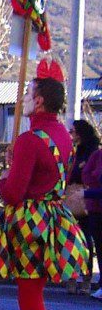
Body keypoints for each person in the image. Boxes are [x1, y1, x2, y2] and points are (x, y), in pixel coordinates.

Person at [0, 61, 89, 310]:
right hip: (52, 219)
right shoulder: (62, 134)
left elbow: (14, 191)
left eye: (30, 92)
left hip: (29, 222)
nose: (25, 97)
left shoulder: (31, 140)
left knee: (30, 300)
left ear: (42, 99)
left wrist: (4, 179)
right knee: (30, 297)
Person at [68, 119, 99, 294]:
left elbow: (86, 174)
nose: (71, 135)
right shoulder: (75, 152)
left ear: (80, 133)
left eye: (73, 132)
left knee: (86, 239)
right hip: (73, 198)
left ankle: (86, 277)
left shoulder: (92, 153)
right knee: (71, 238)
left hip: (86, 201)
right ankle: (72, 276)